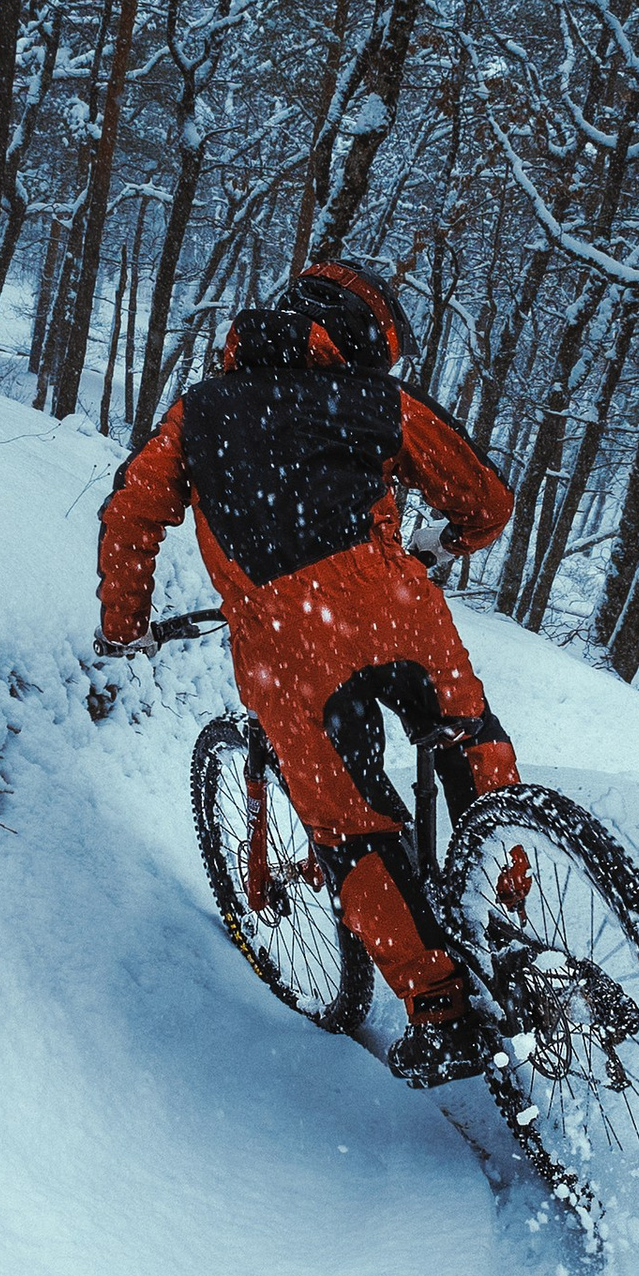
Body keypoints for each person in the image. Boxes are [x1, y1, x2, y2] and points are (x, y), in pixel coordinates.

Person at [94, 258, 520, 1087]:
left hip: (294, 646)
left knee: (353, 823)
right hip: (402, 607)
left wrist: (127, 629)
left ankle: (441, 1010)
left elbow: (131, 515)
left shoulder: (202, 411)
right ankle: (513, 927)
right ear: (368, 342)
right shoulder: (377, 402)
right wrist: (436, 548)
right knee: (473, 746)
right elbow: (487, 502)